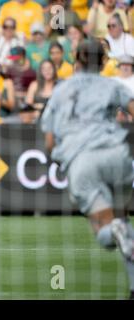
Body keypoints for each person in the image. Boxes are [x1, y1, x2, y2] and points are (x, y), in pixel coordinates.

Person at [40, 40, 134, 300]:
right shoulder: (112, 84)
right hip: (118, 155)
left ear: (75, 59)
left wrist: (60, 158)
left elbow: (49, 141)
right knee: (123, 221)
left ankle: (114, 229)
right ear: (104, 61)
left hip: (84, 160)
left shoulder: (61, 90)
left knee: (105, 229)